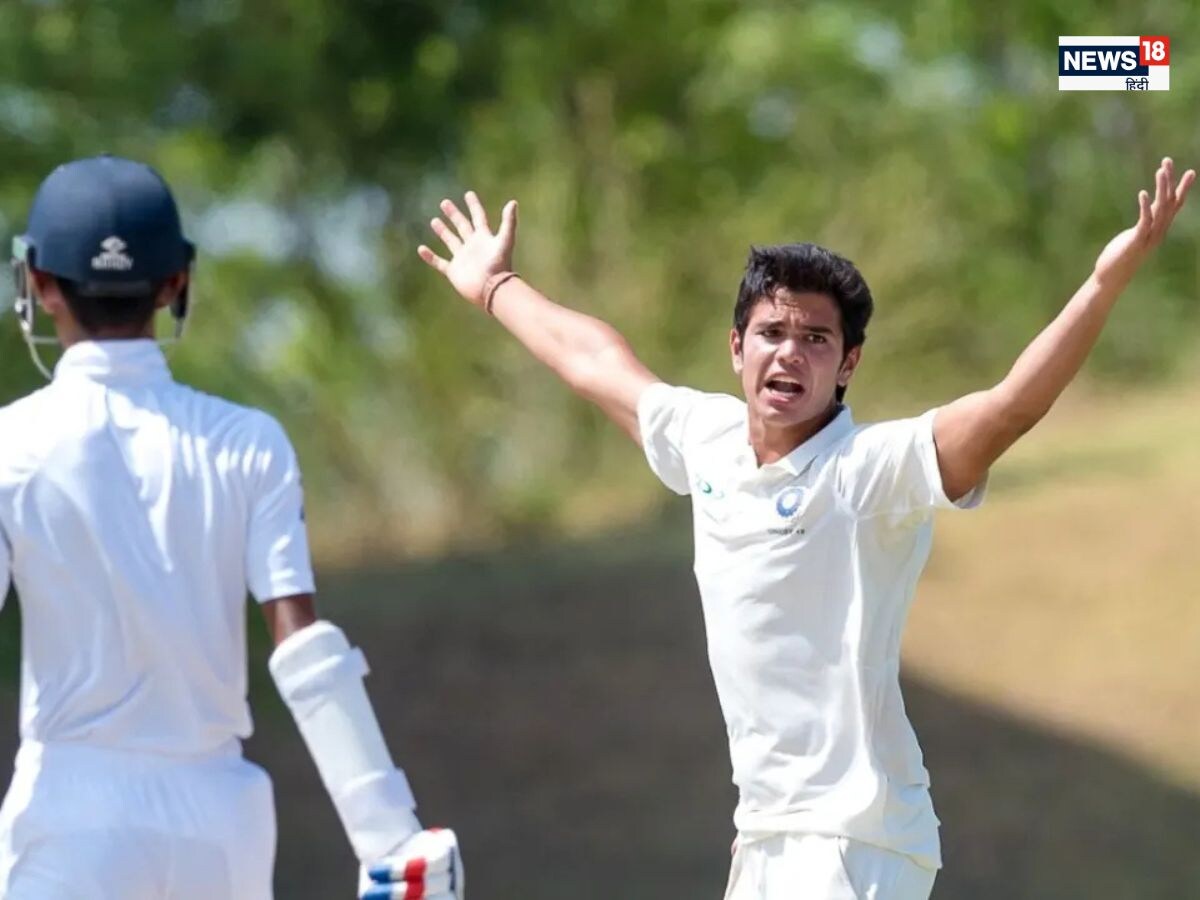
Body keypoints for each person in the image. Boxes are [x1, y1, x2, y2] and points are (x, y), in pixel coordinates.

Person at [418, 159, 1194, 899]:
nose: (790, 353)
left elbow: (1008, 408)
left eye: (816, 340)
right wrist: (495, 286)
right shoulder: (707, 438)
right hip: (766, 832)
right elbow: (593, 359)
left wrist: (1103, 282)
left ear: (848, 363)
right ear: (736, 348)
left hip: (854, 839)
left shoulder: (868, 471)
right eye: (771, 333)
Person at [0, 155, 463, 900]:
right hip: (218, 815)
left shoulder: (10, 445)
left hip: (70, 808)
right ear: (176, 282)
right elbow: (302, 645)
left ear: (40, 285)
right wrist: (389, 835)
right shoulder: (247, 441)